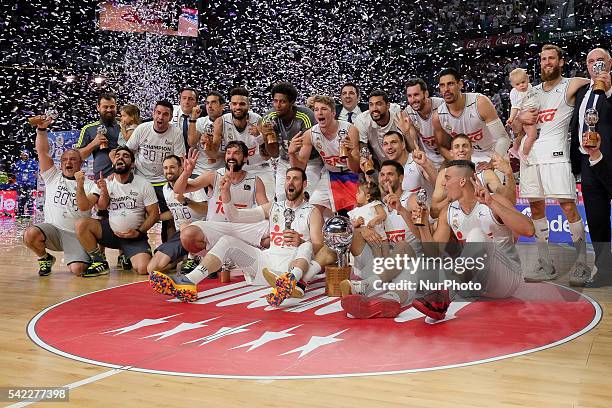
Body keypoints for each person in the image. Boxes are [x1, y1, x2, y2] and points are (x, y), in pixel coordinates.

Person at [149, 167, 324, 306]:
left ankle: (291, 281)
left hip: (290, 265)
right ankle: (189, 281)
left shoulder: (312, 211)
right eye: (288, 178)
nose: (290, 182)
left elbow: (317, 247)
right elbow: (235, 217)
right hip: (265, 266)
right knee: (227, 241)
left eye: (295, 179)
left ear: (304, 183)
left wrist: (301, 241)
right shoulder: (274, 207)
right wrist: (226, 194)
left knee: (307, 245)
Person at [513, 44, 592, 283]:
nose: (546, 63)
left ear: (561, 61)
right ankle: (545, 264)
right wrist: (519, 119)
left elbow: (596, 80)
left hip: (556, 156)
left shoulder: (571, 84)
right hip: (530, 158)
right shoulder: (530, 91)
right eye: (543, 59)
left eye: (551, 59)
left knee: (568, 207)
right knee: (537, 210)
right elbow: (515, 127)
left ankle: (582, 264)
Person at [23, 116, 99, 276]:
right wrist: (42, 130)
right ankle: (45, 258)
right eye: (64, 160)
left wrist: (79, 183)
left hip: (76, 235)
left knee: (78, 270)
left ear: (81, 163)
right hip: (53, 232)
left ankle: (88, 256)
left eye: (73, 159)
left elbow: (85, 206)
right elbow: (42, 152)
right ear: (61, 163)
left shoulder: (90, 184)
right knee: (30, 234)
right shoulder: (53, 176)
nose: (67, 162)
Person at [173, 142, 270, 260]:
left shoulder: (255, 181)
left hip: (240, 230)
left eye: (236, 153)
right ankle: (217, 257)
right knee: (187, 235)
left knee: (272, 234)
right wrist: (186, 173)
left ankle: (230, 257)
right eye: (228, 153)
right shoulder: (213, 176)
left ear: (245, 158)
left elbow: (265, 211)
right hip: (216, 228)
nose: (231, 156)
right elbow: (179, 190)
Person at [75, 147, 159, 277]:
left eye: (125, 156)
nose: (120, 157)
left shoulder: (144, 184)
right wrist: (80, 185)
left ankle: (127, 255)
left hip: (134, 237)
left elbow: (154, 214)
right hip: (111, 233)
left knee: (143, 269)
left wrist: (139, 232)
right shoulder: (106, 182)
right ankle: (99, 262)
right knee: (81, 224)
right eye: (117, 155)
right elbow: (86, 206)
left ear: (132, 164)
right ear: (113, 162)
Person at [569, 47, 612, 287]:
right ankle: (605, 271)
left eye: (600, 60)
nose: (596, 64)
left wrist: (609, 90)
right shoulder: (582, 91)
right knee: (596, 220)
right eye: (591, 61)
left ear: (610, 63)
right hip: (588, 162)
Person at [288, 95, 360, 215]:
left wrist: (350, 155)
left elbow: (356, 168)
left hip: (350, 174)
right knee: (312, 210)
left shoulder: (349, 129)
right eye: (316, 110)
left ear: (333, 112)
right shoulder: (310, 134)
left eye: (324, 109)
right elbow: (300, 168)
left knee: (356, 214)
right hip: (330, 174)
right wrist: (291, 153)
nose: (319, 112)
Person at [126, 100, 186, 242]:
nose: (161, 117)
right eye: (158, 113)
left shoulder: (176, 133)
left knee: (170, 217)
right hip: (141, 179)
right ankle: (135, 250)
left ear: (171, 118)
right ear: (153, 114)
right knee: (135, 216)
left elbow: (179, 161)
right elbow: (128, 152)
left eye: (165, 114)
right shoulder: (142, 129)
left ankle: (169, 251)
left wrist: (179, 183)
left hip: (163, 181)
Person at [433, 67, 511, 164]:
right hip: (467, 158)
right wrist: (459, 163)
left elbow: (503, 139)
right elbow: (443, 147)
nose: (446, 89)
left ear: (460, 84)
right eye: (442, 85)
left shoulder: (480, 102)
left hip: (493, 153)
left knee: (492, 178)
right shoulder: (438, 116)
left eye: (450, 84)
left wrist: (491, 164)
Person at [259, 82, 322, 201]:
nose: (277, 105)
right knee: (281, 198)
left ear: (292, 103)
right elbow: (274, 154)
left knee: (306, 197)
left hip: (309, 162)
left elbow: (302, 161)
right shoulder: (269, 117)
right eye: (275, 101)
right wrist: (267, 137)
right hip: (285, 161)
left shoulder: (306, 116)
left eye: (282, 101)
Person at [210, 87, 275, 201]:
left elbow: (267, 156)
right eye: (234, 104)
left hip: (260, 167)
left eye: (242, 104)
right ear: (230, 105)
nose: (238, 107)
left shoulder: (258, 120)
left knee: (268, 203)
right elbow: (213, 154)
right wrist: (208, 145)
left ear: (248, 106)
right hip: (237, 169)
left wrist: (259, 137)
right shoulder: (221, 122)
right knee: (231, 204)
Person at [146, 155, 208, 275]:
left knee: (186, 226)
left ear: (181, 168)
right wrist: (153, 218)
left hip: (200, 232)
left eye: (172, 167)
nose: (168, 171)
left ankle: (193, 257)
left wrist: (185, 201)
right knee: (151, 269)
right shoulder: (165, 188)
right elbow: (174, 212)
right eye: (165, 168)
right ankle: (182, 257)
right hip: (180, 235)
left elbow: (205, 210)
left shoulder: (192, 184)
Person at [430, 134, 516, 219]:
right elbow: (434, 213)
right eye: (457, 146)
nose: (461, 150)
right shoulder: (444, 175)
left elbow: (510, 202)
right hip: (455, 223)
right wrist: (450, 199)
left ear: (472, 150)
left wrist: (508, 173)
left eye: (465, 146)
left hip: (482, 221)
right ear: (451, 152)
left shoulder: (485, 173)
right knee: (438, 224)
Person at [355, 90, 414, 165]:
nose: (374, 108)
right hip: (382, 165)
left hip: (406, 164)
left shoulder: (398, 114)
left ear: (388, 105)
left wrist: (406, 133)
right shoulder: (362, 120)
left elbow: (413, 148)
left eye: (379, 104)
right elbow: (363, 147)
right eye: (371, 104)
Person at [76, 92, 121, 180]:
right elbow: (79, 156)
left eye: (112, 107)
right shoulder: (88, 129)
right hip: (101, 179)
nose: (109, 110)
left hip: (123, 177)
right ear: (98, 107)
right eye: (105, 107)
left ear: (116, 107)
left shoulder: (124, 127)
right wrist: (94, 144)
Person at [403, 78, 445, 169]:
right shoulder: (408, 113)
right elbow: (414, 147)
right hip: (428, 159)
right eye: (409, 96)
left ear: (425, 94)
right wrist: (406, 133)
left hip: (448, 155)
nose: (413, 99)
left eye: (416, 95)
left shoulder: (442, 105)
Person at [187, 91, 227, 176]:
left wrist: (213, 150)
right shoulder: (200, 122)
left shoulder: (229, 122)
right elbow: (191, 142)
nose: (209, 106)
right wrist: (193, 119)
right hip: (199, 171)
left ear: (222, 106)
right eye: (207, 103)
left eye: (213, 102)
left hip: (221, 172)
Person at [348, 181, 389, 258]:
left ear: (367, 197)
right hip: (364, 241)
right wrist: (356, 223)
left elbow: (383, 215)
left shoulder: (374, 204)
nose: (356, 195)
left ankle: (387, 266)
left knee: (386, 257)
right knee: (375, 257)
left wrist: (375, 219)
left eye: (359, 193)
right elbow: (350, 226)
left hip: (381, 237)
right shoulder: (355, 210)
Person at [507, 68, 539, 161]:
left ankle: (515, 149)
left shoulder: (529, 87)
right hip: (526, 114)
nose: (521, 85)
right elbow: (515, 107)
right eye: (518, 84)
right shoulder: (516, 94)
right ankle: (524, 153)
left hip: (530, 111)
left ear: (528, 79)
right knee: (532, 135)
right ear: (513, 85)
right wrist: (511, 118)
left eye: (523, 82)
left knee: (522, 135)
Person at [171, 87, 200, 152]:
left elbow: (193, 143)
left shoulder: (202, 116)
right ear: (180, 100)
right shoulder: (170, 111)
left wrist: (194, 118)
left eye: (190, 99)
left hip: (193, 155)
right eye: (184, 98)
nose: (186, 102)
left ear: (196, 103)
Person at [13, 150, 38, 216]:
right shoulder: (18, 163)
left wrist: (32, 180)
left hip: (30, 183)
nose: (25, 156)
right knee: (21, 198)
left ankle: (30, 214)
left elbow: (36, 172)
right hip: (21, 184)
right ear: (21, 155)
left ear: (28, 155)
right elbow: (15, 173)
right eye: (24, 154)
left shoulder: (33, 162)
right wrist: (19, 180)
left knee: (29, 198)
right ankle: (20, 214)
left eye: (26, 154)